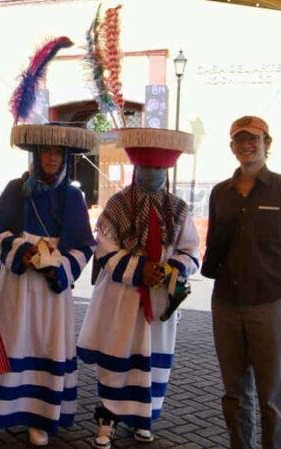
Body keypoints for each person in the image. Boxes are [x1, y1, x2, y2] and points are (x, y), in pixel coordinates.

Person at [0, 124, 98, 448]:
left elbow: (85, 245)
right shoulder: (16, 188)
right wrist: (22, 250)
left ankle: (39, 418)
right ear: (36, 155)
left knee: (47, 346)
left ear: (66, 157)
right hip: (17, 283)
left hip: (52, 288)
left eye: (58, 152)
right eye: (46, 151)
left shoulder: (73, 195)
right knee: (8, 343)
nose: (52, 158)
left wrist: (60, 266)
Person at [77, 128, 200, 448]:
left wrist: (170, 269)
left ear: (166, 169)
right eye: (146, 167)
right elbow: (105, 250)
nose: (152, 173)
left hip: (159, 299)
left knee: (154, 360)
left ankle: (143, 419)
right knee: (117, 357)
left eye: (158, 168)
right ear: (136, 167)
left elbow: (191, 250)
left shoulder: (178, 208)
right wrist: (140, 269)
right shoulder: (116, 204)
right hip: (122, 297)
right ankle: (107, 420)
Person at [207, 116, 281, 449]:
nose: (246, 145)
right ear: (232, 147)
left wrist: (272, 285)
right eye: (239, 139)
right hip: (225, 305)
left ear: (267, 143)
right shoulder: (220, 193)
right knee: (235, 396)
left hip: (270, 307)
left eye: (253, 138)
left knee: (274, 399)